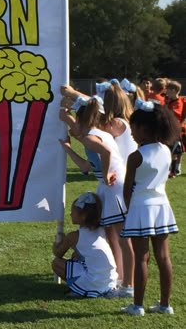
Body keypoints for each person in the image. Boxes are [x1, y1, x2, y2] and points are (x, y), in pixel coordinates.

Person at [59, 95, 134, 294]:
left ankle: (128, 285)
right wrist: (67, 149)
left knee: (122, 237)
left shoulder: (91, 136)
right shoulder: (97, 133)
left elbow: (106, 152)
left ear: (82, 120)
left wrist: (108, 171)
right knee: (112, 234)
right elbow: (85, 166)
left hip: (113, 186)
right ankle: (119, 278)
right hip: (109, 185)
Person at [120, 101, 180, 316]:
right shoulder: (166, 149)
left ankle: (137, 306)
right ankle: (165, 305)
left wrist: (129, 211)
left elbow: (127, 190)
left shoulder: (135, 156)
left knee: (141, 258)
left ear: (145, 128)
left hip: (140, 208)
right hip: (162, 206)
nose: (133, 132)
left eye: (134, 127)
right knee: (164, 257)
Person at [52, 192, 118, 297]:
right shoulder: (102, 231)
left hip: (93, 281)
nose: (70, 214)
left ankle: (81, 288)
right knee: (75, 256)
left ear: (83, 216)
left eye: (72, 212)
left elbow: (58, 253)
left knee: (56, 263)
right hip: (109, 281)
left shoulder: (74, 236)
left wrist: (57, 242)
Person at [164, 80, 184, 177]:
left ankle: (173, 171)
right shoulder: (169, 100)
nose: (166, 91)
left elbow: (175, 115)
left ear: (174, 90)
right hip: (169, 129)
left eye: (168, 89)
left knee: (174, 152)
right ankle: (170, 170)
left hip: (174, 131)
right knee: (169, 151)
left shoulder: (178, 103)